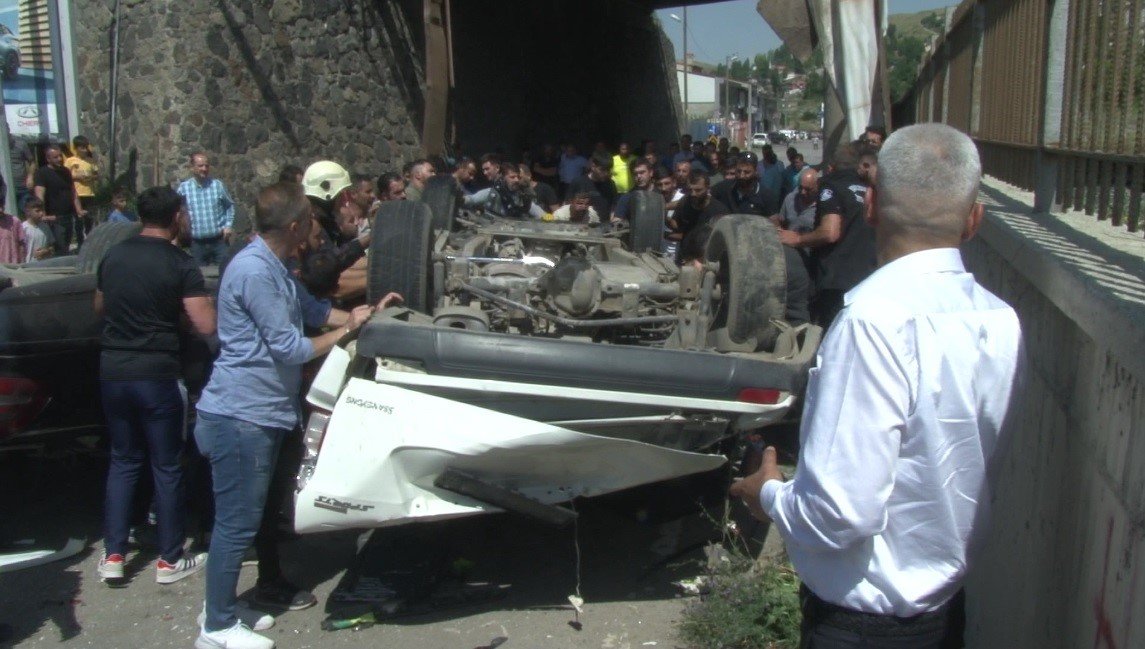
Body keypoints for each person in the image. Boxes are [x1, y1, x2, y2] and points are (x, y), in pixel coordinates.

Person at [730, 123, 1023, 649]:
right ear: (974, 219)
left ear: (870, 206)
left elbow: (840, 513)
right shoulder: (1000, 320)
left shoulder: (872, 323)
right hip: (942, 610)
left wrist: (767, 494)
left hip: (864, 624)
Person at [194, 181, 400, 649]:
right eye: (309, 219)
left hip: (261, 412)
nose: (315, 227)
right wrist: (347, 331)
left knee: (248, 516)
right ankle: (217, 628)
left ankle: (223, 606)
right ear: (294, 226)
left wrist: (363, 313)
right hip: (241, 415)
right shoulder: (254, 272)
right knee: (236, 524)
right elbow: (289, 348)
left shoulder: (274, 265)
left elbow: (310, 309)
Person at [94, 186, 216, 587]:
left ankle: (113, 553)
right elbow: (205, 324)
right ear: (178, 215)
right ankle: (169, 558)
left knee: (124, 460)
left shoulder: (114, 255)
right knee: (167, 465)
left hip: (114, 371)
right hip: (159, 374)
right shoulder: (180, 263)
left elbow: (100, 306)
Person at [779, 142, 876, 327]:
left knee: (833, 334)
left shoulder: (831, 186)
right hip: (869, 277)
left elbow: (830, 232)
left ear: (831, 167)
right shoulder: (870, 189)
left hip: (837, 280)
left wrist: (798, 239)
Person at [178, 153, 236, 266]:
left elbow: (229, 205)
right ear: (192, 167)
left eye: (206, 166)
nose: (204, 169)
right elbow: (177, 211)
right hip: (197, 244)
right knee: (199, 278)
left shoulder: (217, 185)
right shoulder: (184, 188)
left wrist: (228, 226)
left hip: (219, 242)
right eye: (200, 166)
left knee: (225, 272)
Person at [34, 144, 86, 255]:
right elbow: (39, 194)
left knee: (67, 244)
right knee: (59, 246)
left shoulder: (66, 172)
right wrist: (42, 214)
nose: (60, 159)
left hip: (69, 215)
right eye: (55, 157)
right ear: (48, 159)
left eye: (60, 156)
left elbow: (73, 191)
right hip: (54, 217)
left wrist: (79, 209)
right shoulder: (42, 173)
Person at [667, 170, 728, 248]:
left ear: (708, 188)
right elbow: (677, 226)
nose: (693, 194)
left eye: (698, 190)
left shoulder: (718, 211)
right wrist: (664, 218)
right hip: (684, 254)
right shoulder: (685, 202)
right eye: (690, 190)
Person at [711, 152, 772, 217]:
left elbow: (772, 221)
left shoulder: (765, 195)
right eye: (739, 171)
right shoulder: (724, 187)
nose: (741, 176)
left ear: (756, 171)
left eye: (747, 172)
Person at [64, 135, 99, 243]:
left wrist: (91, 178)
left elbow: (96, 175)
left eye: (85, 147)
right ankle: (80, 241)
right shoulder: (70, 161)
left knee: (89, 218)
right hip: (77, 194)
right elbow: (65, 175)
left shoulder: (90, 161)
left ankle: (89, 239)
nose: (84, 150)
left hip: (89, 193)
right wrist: (76, 177)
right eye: (81, 147)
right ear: (76, 148)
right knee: (78, 219)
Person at [565, 152, 618, 219]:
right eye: (602, 170)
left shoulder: (610, 184)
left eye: (608, 170)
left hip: (604, 226)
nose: (606, 173)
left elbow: (613, 208)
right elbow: (567, 205)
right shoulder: (578, 182)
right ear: (593, 166)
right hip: (581, 225)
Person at [611, 158, 655, 222]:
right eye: (635, 174)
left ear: (651, 173)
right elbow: (617, 220)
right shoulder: (627, 198)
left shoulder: (662, 192)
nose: (639, 176)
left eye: (642, 172)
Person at [20, 198, 53, 263]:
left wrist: (46, 251)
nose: (41, 213)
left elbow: (51, 246)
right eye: (37, 211)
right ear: (28, 212)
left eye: (42, 210)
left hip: (45, 265)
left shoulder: (45, 227)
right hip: (29, 265)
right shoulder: (23, 228)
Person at [0, 198, 24, 264]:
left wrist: (22, 261)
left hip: (13, 265)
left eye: (1, 206)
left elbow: (21, 243)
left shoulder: (14, 221)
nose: (0, 210)